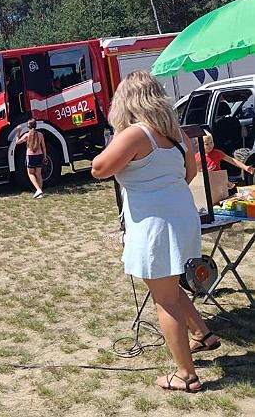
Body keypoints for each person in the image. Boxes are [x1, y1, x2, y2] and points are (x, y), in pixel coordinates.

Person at [91, 71, 220, 393]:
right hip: (183, 216)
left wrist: (119, 138)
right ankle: (204, 334)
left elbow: (98, 169)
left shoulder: (135, 134)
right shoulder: (178, 135)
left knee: (165, 300)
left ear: (126, 101)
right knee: (173, 286)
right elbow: (189, 173)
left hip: (154, 225)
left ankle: (186, 375)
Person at [15, 119, 47, 198]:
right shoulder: (40, 134)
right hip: (39, 155)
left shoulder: (27, 135)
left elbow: (17, 142)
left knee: (31, 173)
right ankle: (40, 193)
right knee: (38, 174)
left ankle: (38, 189)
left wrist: (18, 132)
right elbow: (44, 147)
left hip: (30, 156)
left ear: (28, 126)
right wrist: (45, 157)